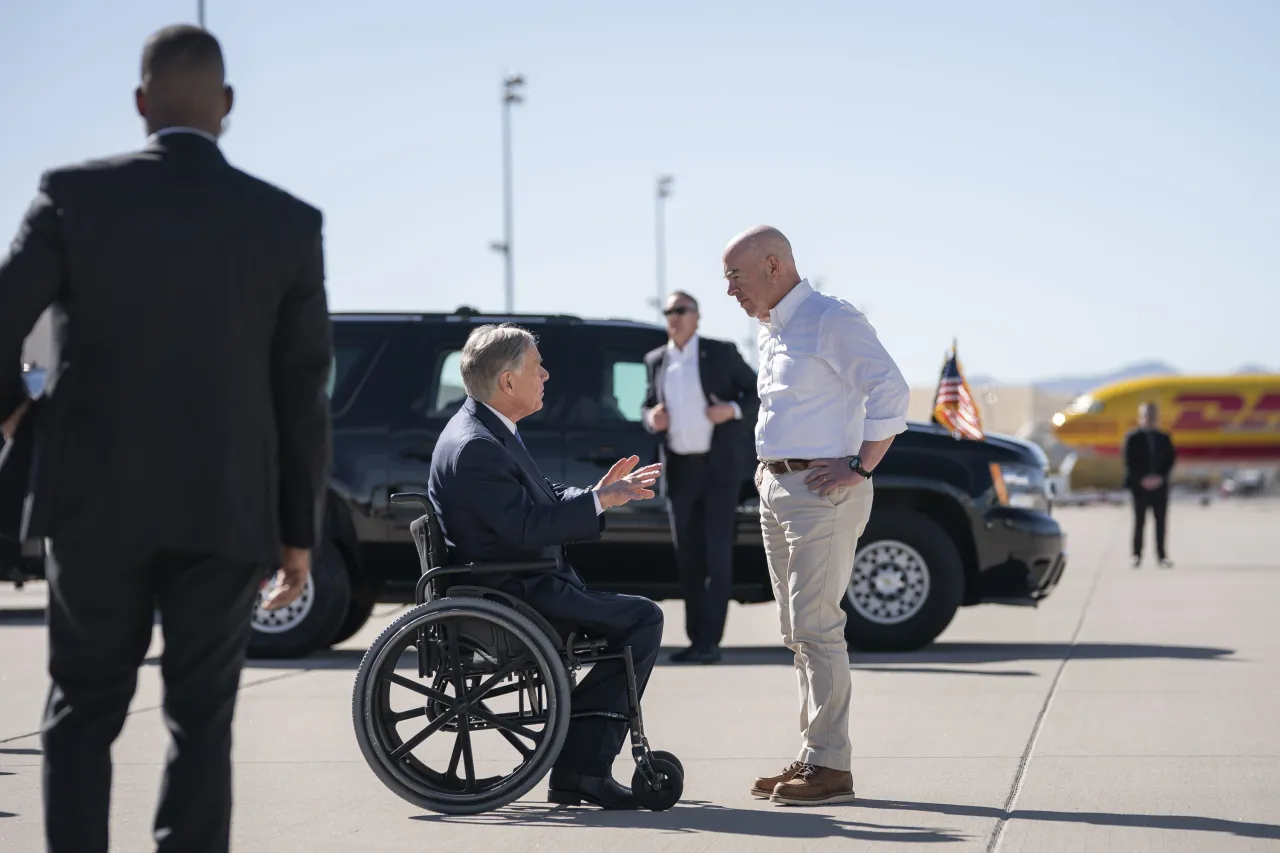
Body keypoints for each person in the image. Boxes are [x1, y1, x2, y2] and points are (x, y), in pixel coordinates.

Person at [0, 26, 332, 853]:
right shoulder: (287, 223)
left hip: (90, 502)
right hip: (224, 506)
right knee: (201, 717)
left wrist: (15, 414)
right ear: (226, 109)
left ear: (141, 104)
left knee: (80, 711)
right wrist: (298, 532)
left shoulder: (72, 194)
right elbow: (302, 394)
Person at [428, 323, 666, 810]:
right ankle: (583, 769)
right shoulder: (477, 445)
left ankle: (580, 765)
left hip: (517, 583)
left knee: (633, 616)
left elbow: (543, 499)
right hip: (516, 594)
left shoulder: (487, 430)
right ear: (508, 382)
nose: (547, 375)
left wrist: (600, 495)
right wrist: (599, 501)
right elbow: (526, 528)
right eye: (538, 368)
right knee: (643, 619)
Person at [722, 225, 909, 806]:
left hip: (820, 491)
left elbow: (891, 392)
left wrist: (861, 464)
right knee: (796, 632)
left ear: (774, 266)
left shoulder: (831, 318)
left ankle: (831, 765)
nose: (730, 291)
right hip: (776, 487)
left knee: (817, 627)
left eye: (736, 276)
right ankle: (813, 756)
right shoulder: (772, 328)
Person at [640, 290, 758, 664]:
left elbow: (757, 391)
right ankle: (695, 641)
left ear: (697, 316)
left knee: (716, 558)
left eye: (681, 310)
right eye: (669, 311)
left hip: (718, 470)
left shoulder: (719, 353)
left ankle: (711, 642)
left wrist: (733, 410)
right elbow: (646, 405)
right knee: (688, 559)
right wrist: (650, 418)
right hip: (680, 471)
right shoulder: (656, 360)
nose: (674, 317)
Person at [1123, 401, 1176, 568]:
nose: (1150, 418)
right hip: (1140, 488)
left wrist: (1160, 477)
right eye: (1146, 415)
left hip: (1160, 487)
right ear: (1141, 416)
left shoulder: (1164, 438)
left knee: (1161, 522)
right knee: (1139, 522)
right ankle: (1136, 555)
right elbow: (1129, 462)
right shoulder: (1133, 438)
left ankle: (1161, 556)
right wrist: (1142, 479)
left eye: (1153, 415)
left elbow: (1170, 460)